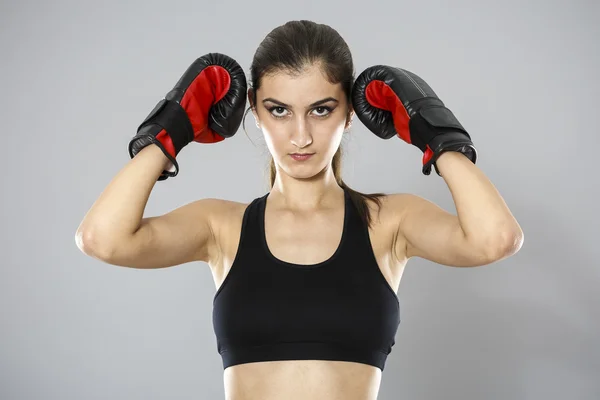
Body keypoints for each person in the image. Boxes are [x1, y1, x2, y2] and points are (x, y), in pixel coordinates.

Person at [76, 20, 523, 400]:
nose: (301, 136)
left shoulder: (390, 221)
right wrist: (168, 131)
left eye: (321, 110)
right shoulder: (221, 226)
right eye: (279, 110)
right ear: (254, 111)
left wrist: (435, 133)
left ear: (351, 112)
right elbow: (102, 238)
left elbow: (495, 238)